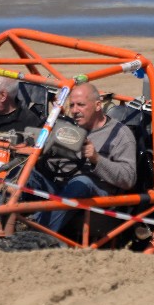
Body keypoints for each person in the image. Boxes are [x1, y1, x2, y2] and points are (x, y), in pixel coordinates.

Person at [29, 82, 136, 233]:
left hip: (96, 197)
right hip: (59, 186)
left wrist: (96, 159)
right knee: (25, 174)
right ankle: (0, 221)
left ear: (98, 105)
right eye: (72, 105)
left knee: (80, 183)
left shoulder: (120, 134)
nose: (75, 110)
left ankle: (35, 232)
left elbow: (128, 178)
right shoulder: (67, 126)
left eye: (80, 105)